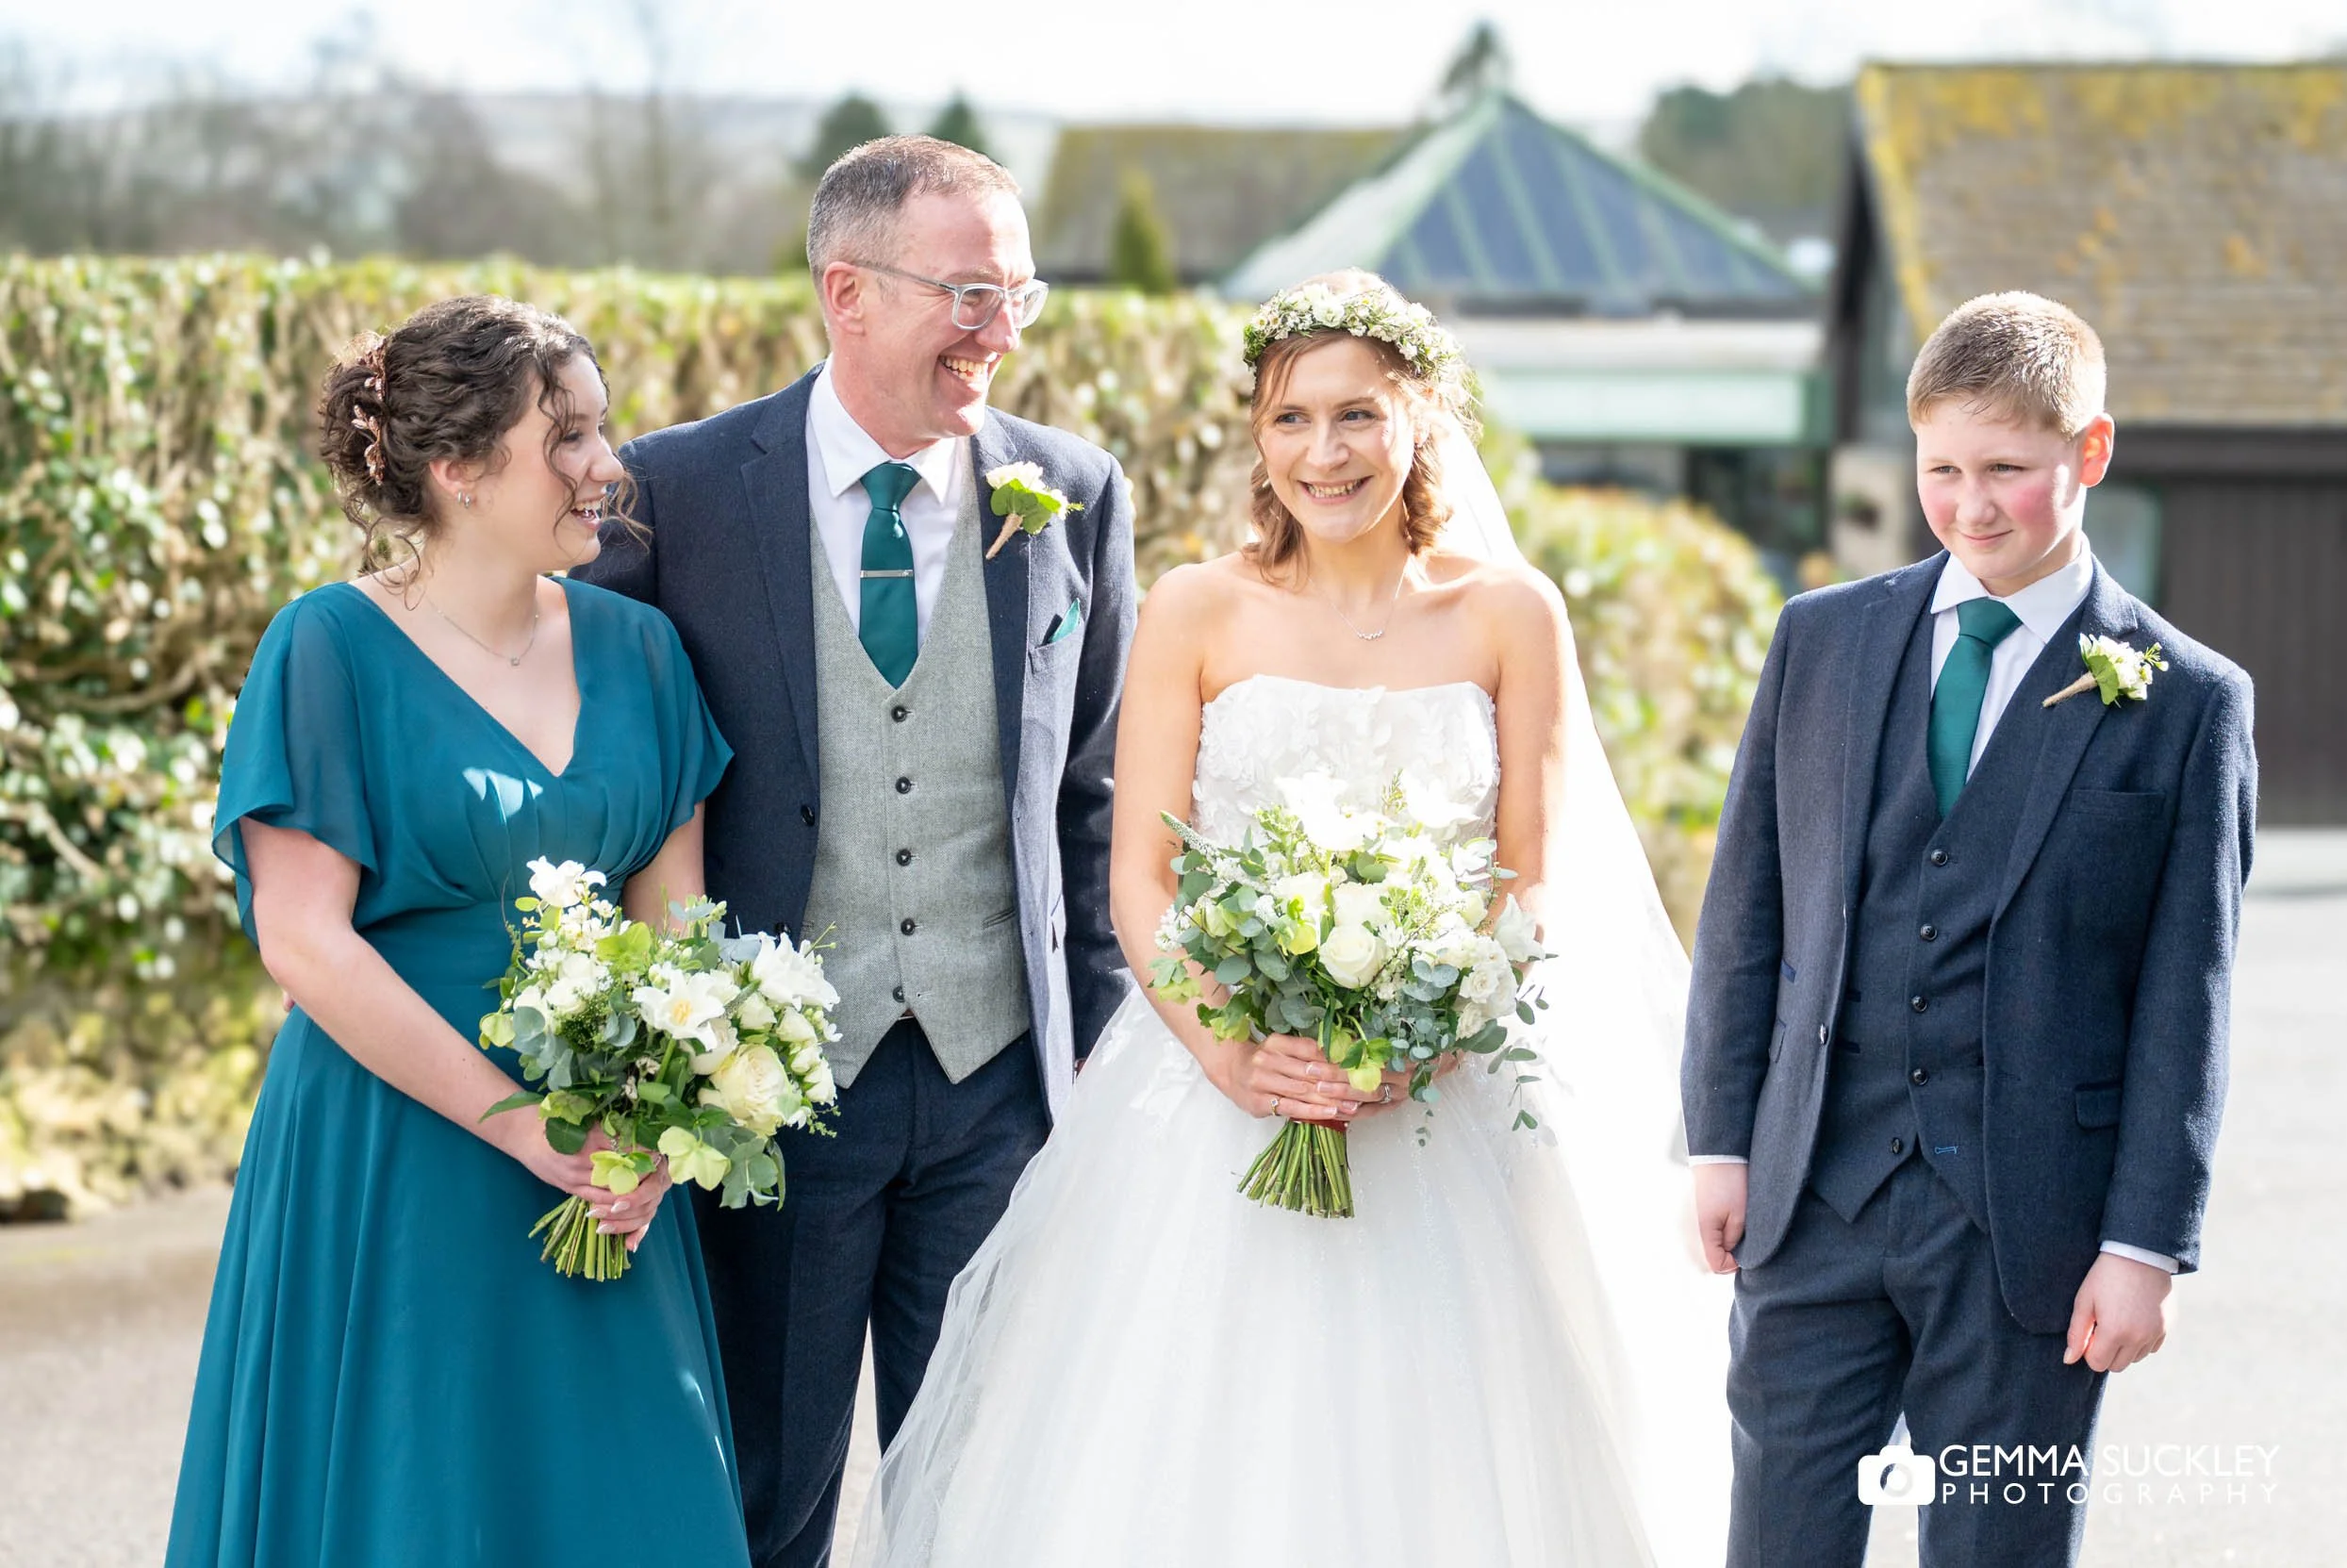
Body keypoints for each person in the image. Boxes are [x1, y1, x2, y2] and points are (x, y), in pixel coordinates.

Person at [847, 272, 1731, 1568]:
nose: (1326, 453)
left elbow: (1531, 874)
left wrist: (1435, 1029)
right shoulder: (1198, 608)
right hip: (1216, 1096)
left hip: (1443, 1098)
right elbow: (1140, 877)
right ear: (1258, 437)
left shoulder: (1510, 612)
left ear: (1421, 417)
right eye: (1292, 419)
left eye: (1358, 415)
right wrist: (1230, 1053)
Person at [572, 136, 1136, 1568]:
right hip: (768, 1105)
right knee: (768, 1497)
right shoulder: (678, 492)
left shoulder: (1074, 491)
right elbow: (612, 796)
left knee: (989, 1491)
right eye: (970, 294)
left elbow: (1092, 800)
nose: (1001, 332)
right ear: (848, 292)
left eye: (1020, 295)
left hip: (1000, 1091)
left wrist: (1106, 1076)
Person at [165, 295, 747, 1566]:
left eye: (601, 429)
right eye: (568, 435)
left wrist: (660, 1124)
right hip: (396, 1144)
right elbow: (304, 941)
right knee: (411, 1494)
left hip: (602, 1156)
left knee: (616, 1495)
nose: (607, 464)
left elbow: (679, 931)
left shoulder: (646, 652)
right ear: (459, 469)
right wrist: (519, 1122)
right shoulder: (327, 646)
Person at [1682, 292, 2256, 1565]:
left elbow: (2188, 998)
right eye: (1941, 469)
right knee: (1777, 1540)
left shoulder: (2190, 703)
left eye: (2006, 469)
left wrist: (2145, 1245)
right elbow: (1747, 909)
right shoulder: (1821, 639)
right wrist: (1720, 1140)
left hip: (2032, 1230)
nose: (1970, 505)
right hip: (1813, 1197)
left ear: (2090, 451)